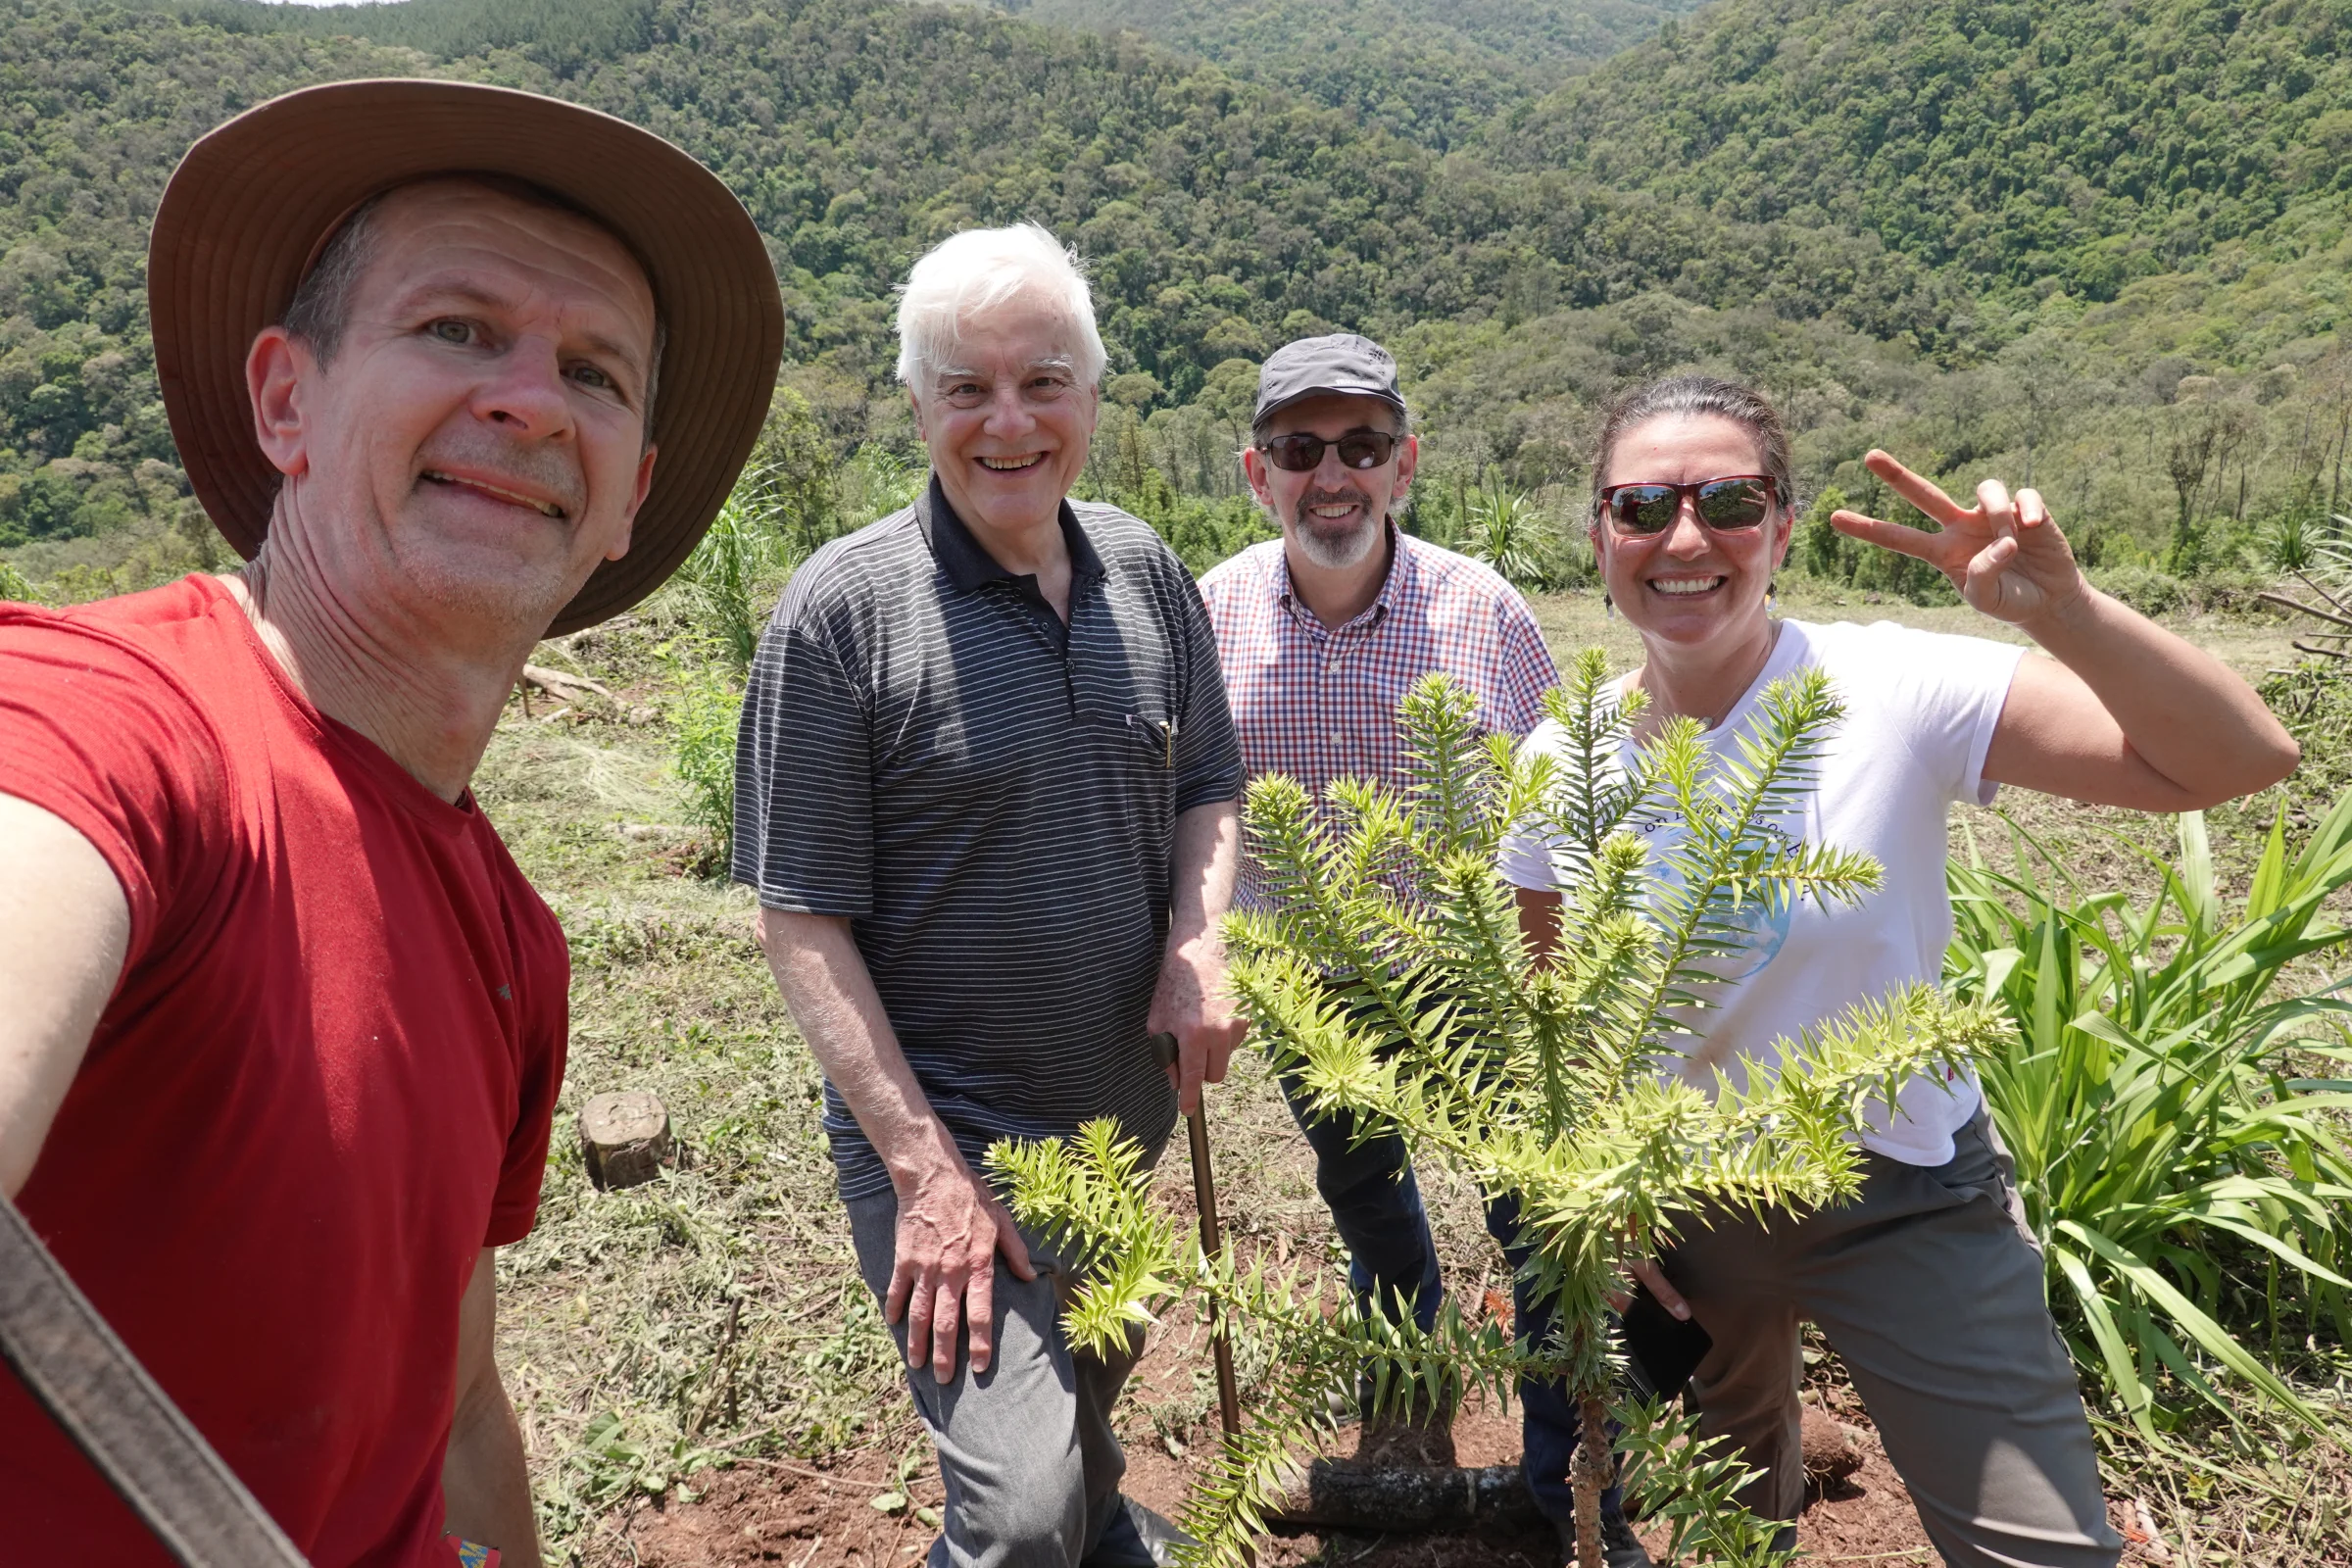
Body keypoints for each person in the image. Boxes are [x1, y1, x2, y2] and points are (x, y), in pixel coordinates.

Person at [0, 79, 781, 1566]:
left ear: (629, 501)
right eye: (456, 330)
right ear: (286, 398)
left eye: (597, 372)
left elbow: (459, 1404)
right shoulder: (115, 723)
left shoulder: (511, 936)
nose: (534, 400)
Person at [1500, 374, 2298, 1568]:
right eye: (1640, 506)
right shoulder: (1562, 756)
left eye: (1727, 499)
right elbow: (1551, 1023)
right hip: (1687, 1198)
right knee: (1731, 1512)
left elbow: (2240, 758)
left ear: (1779, 524)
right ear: (1599, 533)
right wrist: (1594, 1212)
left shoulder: (1895, 687)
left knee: (2044, 1550)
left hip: (1903, 1184)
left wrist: (2065, 609)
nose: (1684, 536)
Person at [732, 223, 1246, 1568]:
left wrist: (1200, 937)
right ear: (916, 405)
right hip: (954, 1145)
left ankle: (1108, 1530)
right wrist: (925, 1174)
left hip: (1123, 1116)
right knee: (1013, 1515)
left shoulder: (1145, 572)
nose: (1008, 421)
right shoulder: (840, 616)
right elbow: (801, 920)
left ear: (1093, 394)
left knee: (1087, 1410)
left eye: (1044, 380)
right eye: (967, 387)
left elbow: (1208, 785)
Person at [1199, 335, 1650, 1568]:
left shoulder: (1482, 609)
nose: (1330, 475)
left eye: (1361, 447)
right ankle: (1407, 1394)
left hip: (1480, 978)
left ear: (1406, 465)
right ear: (1258, 472)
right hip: (1310, 984)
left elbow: (1560, 796)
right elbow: (1193, 802)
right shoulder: (1214, 610)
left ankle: (1574, 1479)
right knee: (1368, 1200)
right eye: (1302, 450)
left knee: (1532, 1215)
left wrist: (1564, 984)